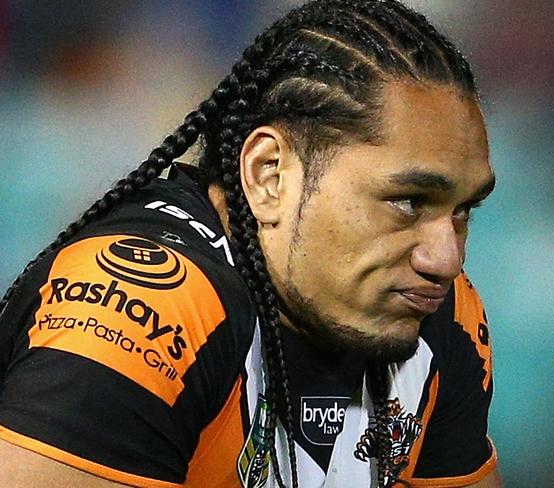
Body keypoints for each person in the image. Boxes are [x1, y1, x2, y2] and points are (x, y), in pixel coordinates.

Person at [0, 1, 501, 487]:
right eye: (408, 201)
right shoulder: (141, 313)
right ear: (270, 175)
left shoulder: (438, 316)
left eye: (462, 211)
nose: (446, 258)